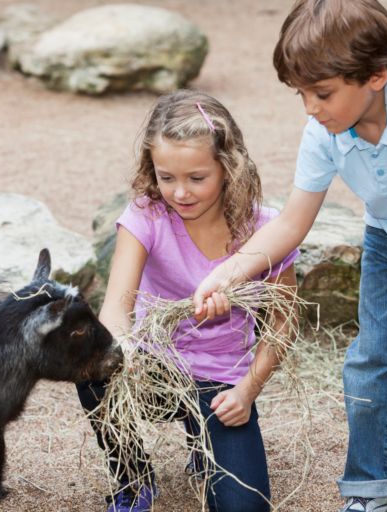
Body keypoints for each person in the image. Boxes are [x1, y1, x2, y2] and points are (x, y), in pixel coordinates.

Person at [193, 1, 387, 511]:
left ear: (376, 75)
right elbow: (291, 223)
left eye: (322, 93)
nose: (310, 108)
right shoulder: (324, 133)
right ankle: (368, 489)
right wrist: (228, 271)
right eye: (302, 94)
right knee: (371, 361)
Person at [76, 89, 299, 512]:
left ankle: (206, 441)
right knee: (89, 360)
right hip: (152, 367)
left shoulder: (267, 229)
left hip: (221, 383)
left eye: (197, 178)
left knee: (244, 507)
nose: (180, 193)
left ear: (229, 167)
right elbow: (115, 308)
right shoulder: (146, 215)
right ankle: (133, 477)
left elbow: (285, 324)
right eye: (166, 177)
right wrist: (122, 347)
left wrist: (247, 391)